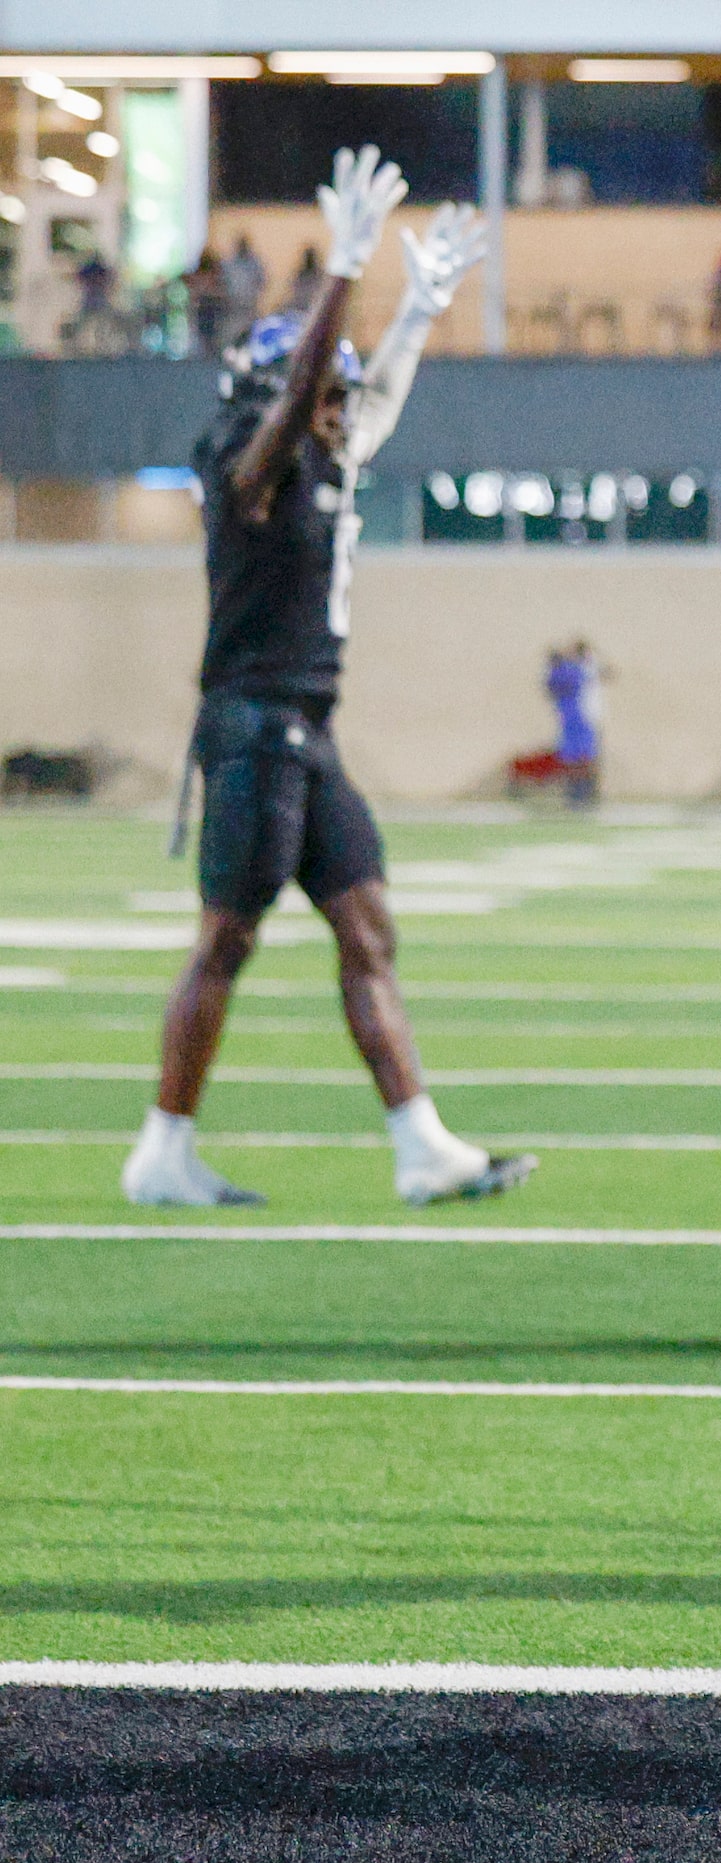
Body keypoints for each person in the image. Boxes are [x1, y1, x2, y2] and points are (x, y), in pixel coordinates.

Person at [123, 151, 534, 1212]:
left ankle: (421, 1143)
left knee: (366, 928)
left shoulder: (320, 454)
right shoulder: (242, 467)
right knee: (226, 939)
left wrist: (416, 316)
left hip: (304, 728)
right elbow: (310, 389)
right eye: (323, 386)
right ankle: (162, 1149)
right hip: (254, 726)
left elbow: (368, 394)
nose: (341, 402)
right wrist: (344, 272)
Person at [544, 640, 604, 808]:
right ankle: (581, 794)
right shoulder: (574, 671)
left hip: (573, 720)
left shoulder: (564, 673)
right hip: (576, 720)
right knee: (580, 758)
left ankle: (579, 794)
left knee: (577, 759)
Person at [220, 234, 265, 336]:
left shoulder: (255, 263)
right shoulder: (229, 263)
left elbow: (262, 282)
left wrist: (253, 294)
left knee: (249, 334)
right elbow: (222, 282)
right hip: (232, 308)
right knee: (233, 334)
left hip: (250, 306)